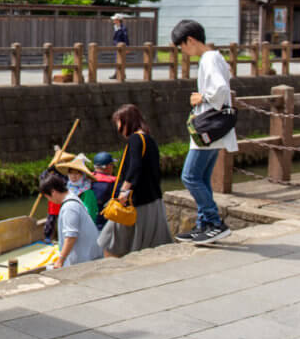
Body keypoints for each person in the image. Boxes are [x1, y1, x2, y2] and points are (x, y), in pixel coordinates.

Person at [171, 19, 236, 244]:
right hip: (214, 130)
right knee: (202, 178)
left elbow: (219, 88)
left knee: (189, 176)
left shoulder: (208, 58)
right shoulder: (214, 57)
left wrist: (201, 97)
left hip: (208, 129)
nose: (183, 52)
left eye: (182, 46)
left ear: (190, 40)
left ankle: (214, 222)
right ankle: (204, 226)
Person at [98, 104, 172, 257]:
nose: (118, 127)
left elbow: (134, 168)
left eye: (119, 122)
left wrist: (123, 193)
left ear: (126, 121)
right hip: (153, 200)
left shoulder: (135, 139)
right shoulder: (149, 139)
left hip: (135, 202)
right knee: (150, 244)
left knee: (109, 241)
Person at [40, 170, 103, 268]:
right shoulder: (72, 196)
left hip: (86, 259)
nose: (49, 200)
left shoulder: (69, 207)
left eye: (48, 197)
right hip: (88, 255)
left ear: (53, 192)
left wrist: (60, 260)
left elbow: (70, 237)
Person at [55, 157, 99, 223]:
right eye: (71, 173)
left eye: (77, 173)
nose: (73, 176)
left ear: (83, 175)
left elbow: (90, 214)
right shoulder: (67, 189)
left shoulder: (88, 192)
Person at [90, 152, 117, 228]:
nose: (113, 167)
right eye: (112, 164)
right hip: (106, 222)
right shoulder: (114, 183)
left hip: (88, 220)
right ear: (107, 166)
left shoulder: (86, 179)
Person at [109, 14, 129, 79]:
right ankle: (118, 74)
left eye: (114, 19)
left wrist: (127, 47)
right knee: (117, 60)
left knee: (120, 60)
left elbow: (126, 38)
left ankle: (120, 74)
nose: (113, 20)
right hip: (117, 46)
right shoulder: (116, 27)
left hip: (122, 47)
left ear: (118, 20)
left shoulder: (123, 28)